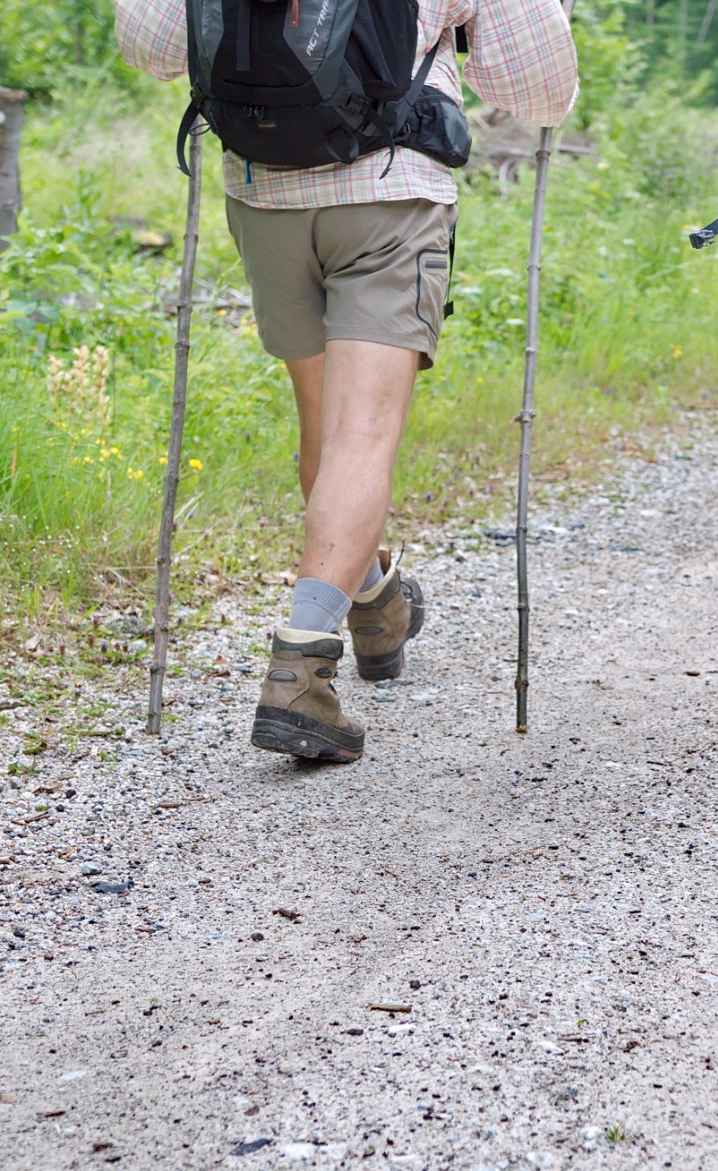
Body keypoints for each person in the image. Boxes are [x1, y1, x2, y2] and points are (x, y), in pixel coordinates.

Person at [117, 0, 577, 762]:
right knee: (359, 437)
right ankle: (300, 667)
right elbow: (540, 88)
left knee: (326, 428)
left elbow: (152, 42)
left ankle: (375, 603)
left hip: (265, 192)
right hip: (388, 195)